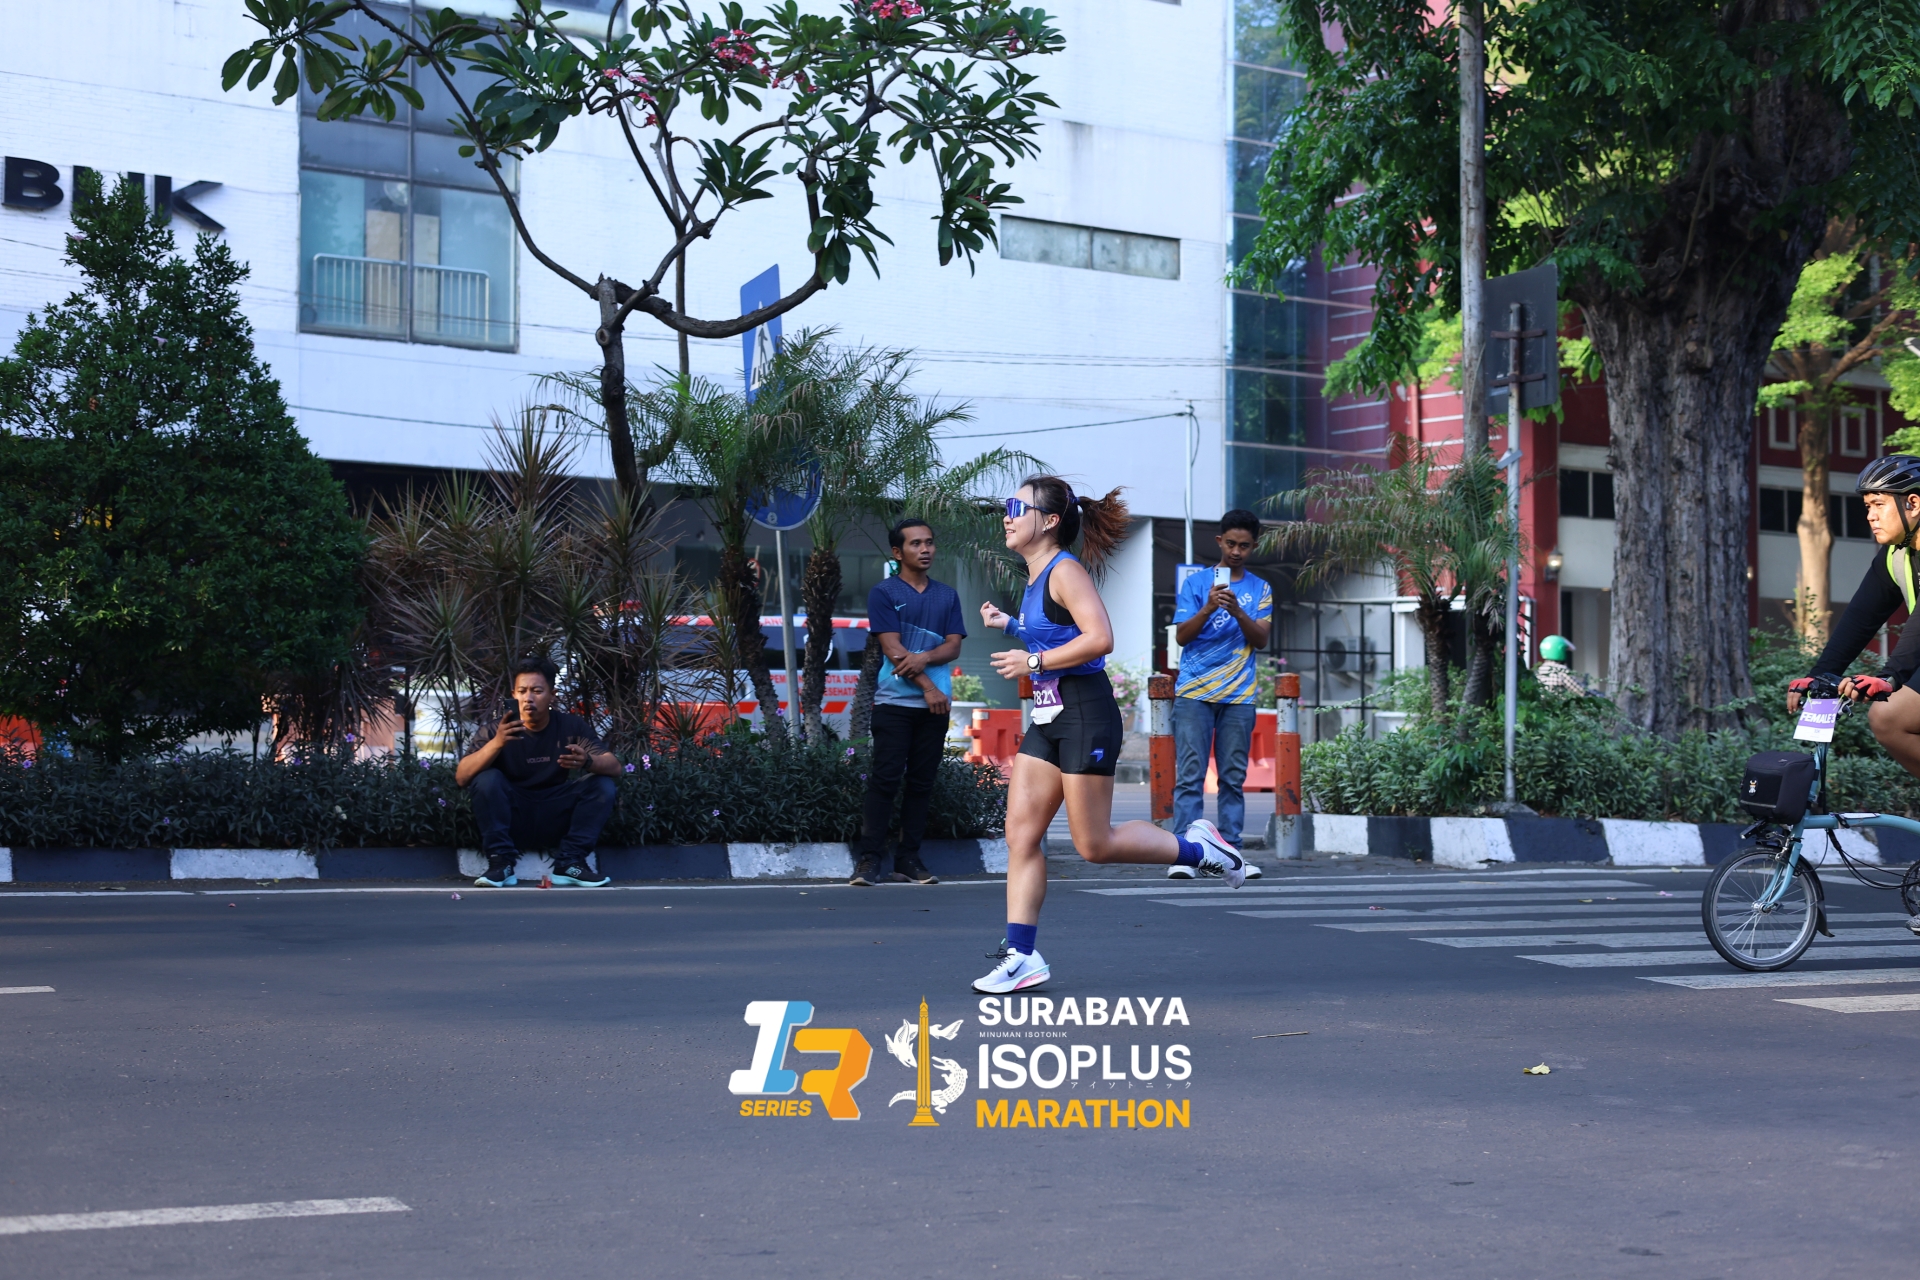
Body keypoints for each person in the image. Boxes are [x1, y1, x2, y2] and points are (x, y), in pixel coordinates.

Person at [975, 476, 1247, 994]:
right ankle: (1021, 956)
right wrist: (1011, 625)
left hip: (1085, 713)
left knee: (1095, 845)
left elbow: (1100, 638)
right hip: (1051, 716)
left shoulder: (1065, 570)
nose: (1006, 516)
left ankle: (1200, 848)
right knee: (1021, 836)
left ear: (1049, 521)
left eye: (1016, 507)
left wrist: (1031, 661)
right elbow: (1056, 631)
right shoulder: (1036, 577)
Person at [1785, 455, 1920, 934]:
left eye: (1879, 504)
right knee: (1888, 719)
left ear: (1913, 504)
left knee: (1890, 707)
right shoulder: (1895, 556)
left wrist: (1890, 676)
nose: (1870, 515)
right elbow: (1861, 619)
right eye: (1867, 506)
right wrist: (1819, 675)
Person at [851, 518, 967, 887]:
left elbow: (953, 646)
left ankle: (908, 859)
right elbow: (892, 648)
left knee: (922, 783)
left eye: (929, 542)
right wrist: (928, 685)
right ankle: (869, 860)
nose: (925, 549)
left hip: (935, 708)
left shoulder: (947, 595)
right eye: (916, 543)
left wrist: (924, 659)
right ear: (897, 552)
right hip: (894, 704)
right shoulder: (883, 592)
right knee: (885, 780)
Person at [1168, 509, 1273, 876]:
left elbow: (1261, 639)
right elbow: (1182, 636)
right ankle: (1185, 856)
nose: (1236, 551)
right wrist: (1210, 606)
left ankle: (1233, 856)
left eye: (1244, 546)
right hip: (1194, 693)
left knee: (1232, 778)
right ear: (1219, 542)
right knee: (1190, 776)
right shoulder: (1197, 584)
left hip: (1239, 697)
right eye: (1230, 544)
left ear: (1254, 545)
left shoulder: (1261, 589)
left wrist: (1238, 612)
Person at [455, 657, 620, 888]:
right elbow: (462, 777)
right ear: (513, 694)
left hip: (555, 812)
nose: (528, 698)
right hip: (513, 814)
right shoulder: (495, 730)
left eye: (537, 691)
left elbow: (614, 766)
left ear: (552, 695)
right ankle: (501, 864)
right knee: (487, 779)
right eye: (522, 691)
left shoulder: (570, 727)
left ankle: (570, 862)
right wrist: (497, 743)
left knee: (601, 785)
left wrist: (588, 760)